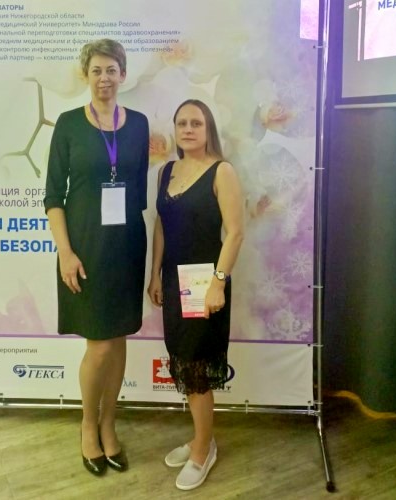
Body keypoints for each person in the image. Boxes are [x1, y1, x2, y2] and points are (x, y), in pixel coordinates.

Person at [44, 39, 149, 476]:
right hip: (85, 249)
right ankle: (88, 425)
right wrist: (65, 253)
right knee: (99, 345)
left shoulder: (139, 124)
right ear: (85, 76)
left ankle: (109, 424)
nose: (104, 78)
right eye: (96, 70)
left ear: (123, 74)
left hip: (126, 247)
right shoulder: (68, 124)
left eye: (111, 70)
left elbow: (138, 191)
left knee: (119, 338)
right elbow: (53, 197)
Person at [147, 99, 244, 490]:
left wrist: (218, 282)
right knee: (183, 363)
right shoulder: (166, 171)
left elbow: (235, 232)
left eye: (196, 123)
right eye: (182, 123)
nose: (188, 129)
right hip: (173, 282)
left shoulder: (222, 171)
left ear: (208, 130)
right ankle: (200, 437)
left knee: (197, 368)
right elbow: (161, 226)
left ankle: (204, 449)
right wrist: (155, 275)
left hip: (204, 284)